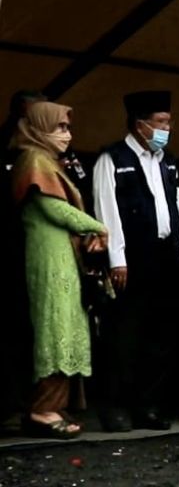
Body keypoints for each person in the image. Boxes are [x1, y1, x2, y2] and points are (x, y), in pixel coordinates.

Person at [10, 102, 109, 438]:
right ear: (39, 128)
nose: (68, 135)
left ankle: (52, 404)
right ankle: (42, 409)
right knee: (55, 330)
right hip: (50, 261)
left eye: (68, 128)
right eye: (60, 128)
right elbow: (55, 208)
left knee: (65, 327)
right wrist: (98, 227)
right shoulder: (34, 160)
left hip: (61, 258)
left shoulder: (45, 160)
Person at [92, 90, 179, 431]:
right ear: (140, 124)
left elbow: (176, 207)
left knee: (160, 336)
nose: (166, 128)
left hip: (165, 257)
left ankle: (148, 404)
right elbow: (107, 213)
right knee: (124, 336)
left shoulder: (167, 160)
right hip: (132, 259)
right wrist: (117, 259)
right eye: (161, 122)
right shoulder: (113, 159)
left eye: (168, 121)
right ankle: (116, 406)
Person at [0, 90, 46, 435]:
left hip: (40, 252)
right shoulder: (12, 148)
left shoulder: (48, 151)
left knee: (34, 330)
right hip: (12, 252)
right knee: (13, 331)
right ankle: (12, 406)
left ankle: (34, 403)